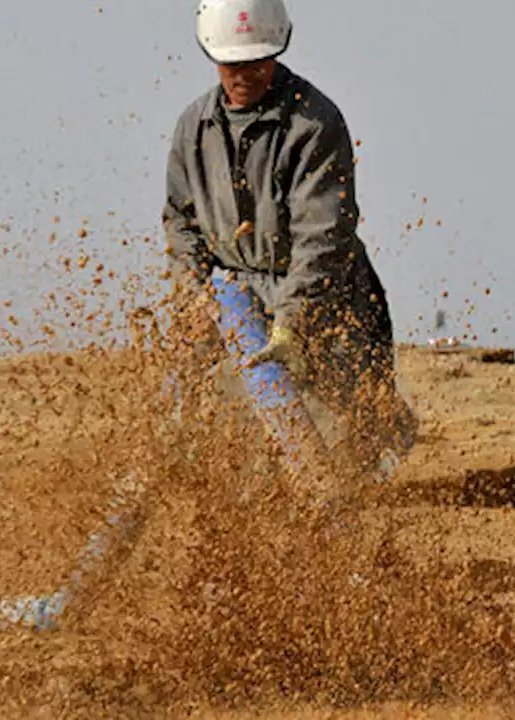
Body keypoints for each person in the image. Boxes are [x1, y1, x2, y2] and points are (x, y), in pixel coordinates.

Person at [162, 0, 416, 476]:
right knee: (199, 417)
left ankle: (381, 441)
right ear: (212, 55)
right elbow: (181, 221)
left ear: (277, 50)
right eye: (233, 64)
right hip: (233, 292)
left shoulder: (313, 122)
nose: (245, 74)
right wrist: (193, 295)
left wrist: (291, 319)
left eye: (256, 61)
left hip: (321, 287)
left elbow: (323, 235)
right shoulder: (194, 127)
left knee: (350, 428)